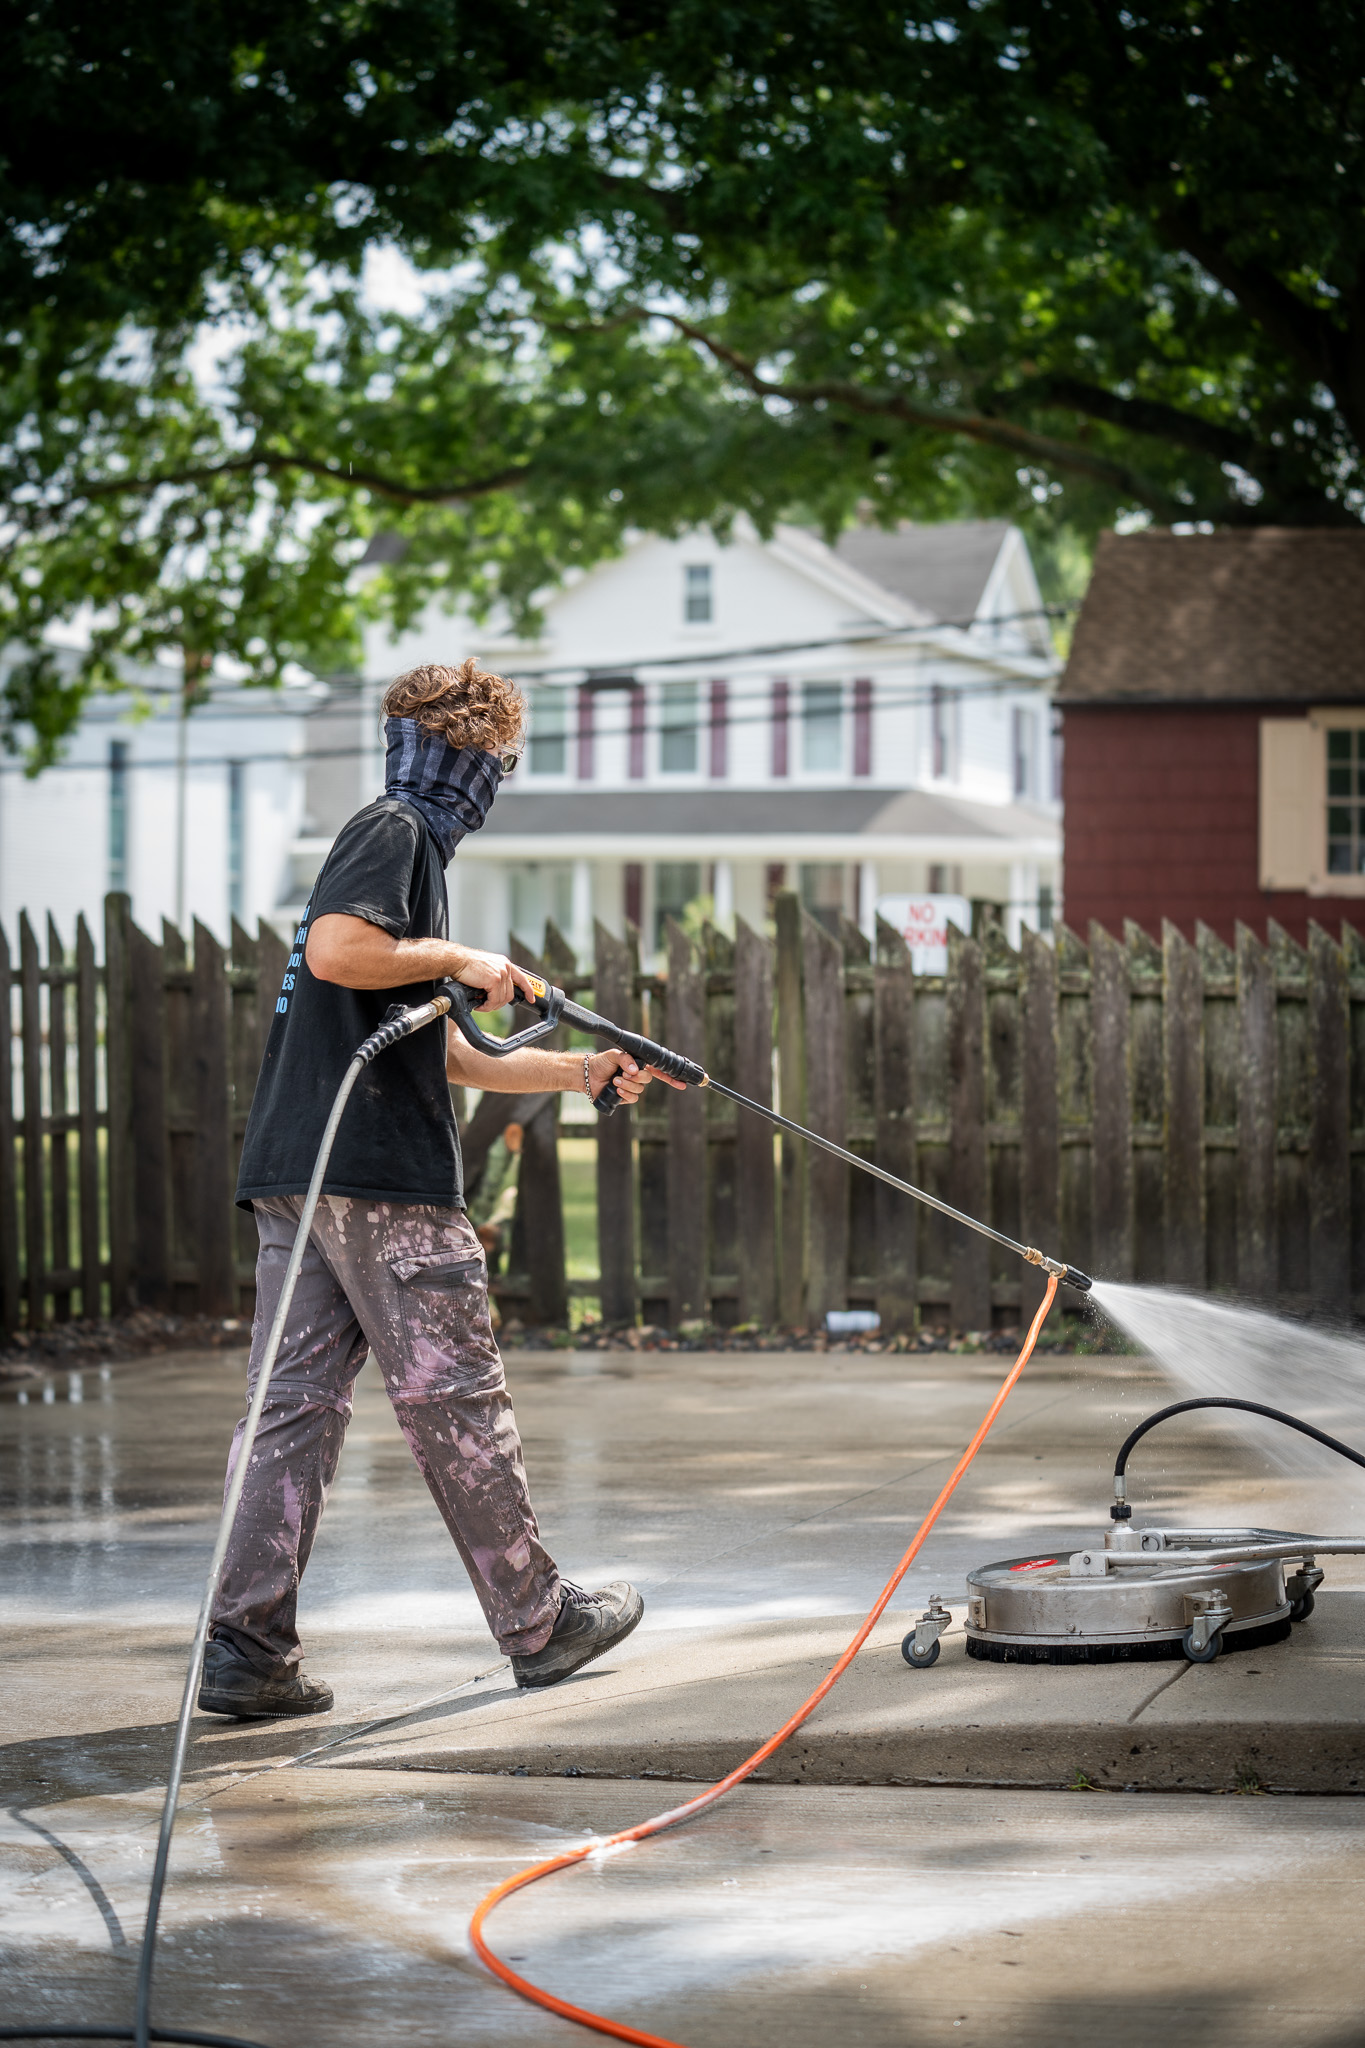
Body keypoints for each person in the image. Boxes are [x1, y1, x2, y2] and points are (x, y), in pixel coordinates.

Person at [198, 659, 679, 1720]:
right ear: (482, 765)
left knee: (290, 1411)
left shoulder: (392, 845)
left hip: (299, 1175)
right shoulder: (399, 831)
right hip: (377, 1176)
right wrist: (464, 951)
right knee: (451, 1393)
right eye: (495, 764)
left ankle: (245, 1644)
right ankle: (540, 1619)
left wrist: (576, 1069)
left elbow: (446, 1053)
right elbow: (337, 951)